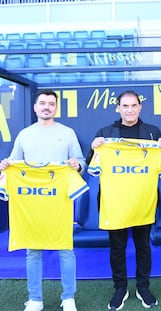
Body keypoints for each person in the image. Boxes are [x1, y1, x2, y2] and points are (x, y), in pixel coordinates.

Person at [0, 89, 86, 311]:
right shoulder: (24, 134)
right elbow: (14, 163)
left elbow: (81, 162)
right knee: (32, 250)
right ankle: (35, 299)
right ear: (35, 107)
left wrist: (78, 165)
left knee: (65, 249)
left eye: (51, 103)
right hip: (31, 202)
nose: (47, 107)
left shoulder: (67, 133)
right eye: (43, 103)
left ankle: (68, 297)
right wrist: (6, 166)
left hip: (59, 201)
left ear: (56, 108)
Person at [88, 90, 161, 310]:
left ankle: (143, 287)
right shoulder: (105, 133)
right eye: (125, 106)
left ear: (140, 107)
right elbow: (92, 165)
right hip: (114, 203)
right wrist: (94, 147)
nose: (129, 110)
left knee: (143, 247)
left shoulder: (152, 133)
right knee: (117, 247)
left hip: (144, 202)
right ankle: (120, 288)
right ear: (118, 108)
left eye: (133, 105)